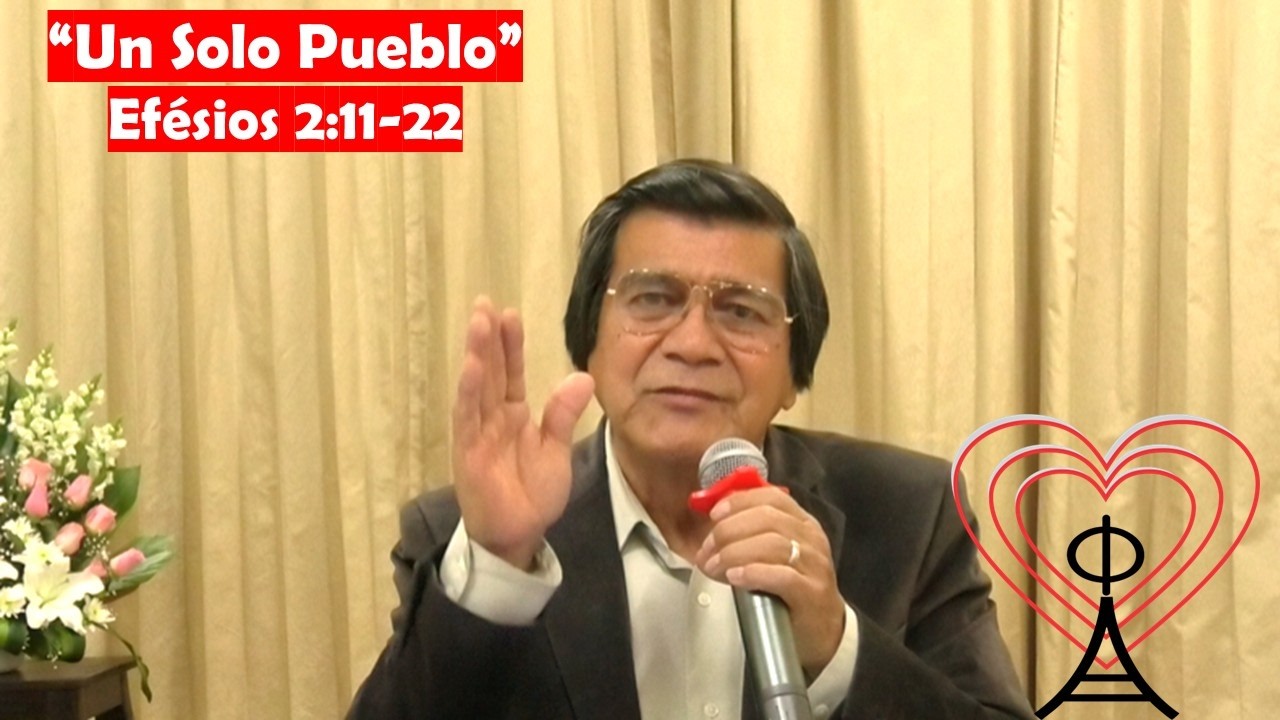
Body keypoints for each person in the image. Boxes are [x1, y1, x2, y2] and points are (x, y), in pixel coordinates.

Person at [347, 159, 1036, 719]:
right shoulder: (468, 532)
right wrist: (498, 568)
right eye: (653, 299)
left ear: (793, 374)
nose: (693, 344)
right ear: (590, 342)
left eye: (741, 312)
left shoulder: (908, 513)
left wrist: (836, 649)